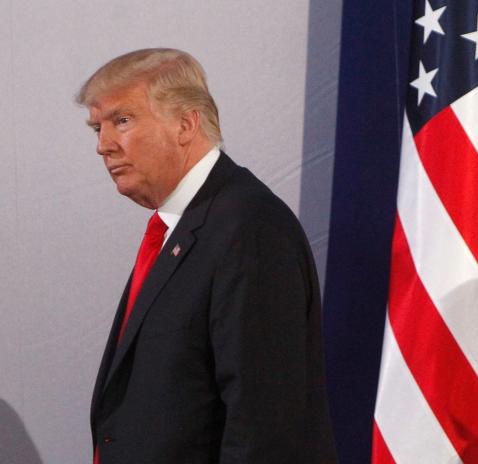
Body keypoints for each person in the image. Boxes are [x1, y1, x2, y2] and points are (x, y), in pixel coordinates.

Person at [78, 48, 337, 463]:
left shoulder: (249, 228)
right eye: (97, 128)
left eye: (122, 121)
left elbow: (263, 428)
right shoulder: (184, 225)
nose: (103, 146)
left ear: (185, 123)